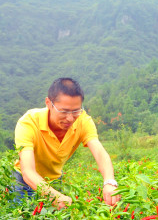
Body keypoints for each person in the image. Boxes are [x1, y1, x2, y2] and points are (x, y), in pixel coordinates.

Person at [13, 77, 120, 209]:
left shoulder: (83, 121)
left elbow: (99, 152)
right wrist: (54, 197)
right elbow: (28, 171)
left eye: (76, 111)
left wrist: (109, 182)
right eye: (63, 111)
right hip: (25, 181)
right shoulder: (28, 123)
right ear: (48, 103)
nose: (70, 118)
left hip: (55, 179)